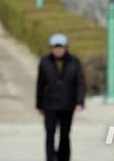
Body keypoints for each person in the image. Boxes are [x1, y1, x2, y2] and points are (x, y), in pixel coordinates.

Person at [36, 33, 85, 161]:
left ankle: (64, 157)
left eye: (61, 47)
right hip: (49, 104)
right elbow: (40, 84)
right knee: (50, 134)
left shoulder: (74, 62)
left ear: (66, 47)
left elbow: (80, 82)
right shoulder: (45, 62)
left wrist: (80, 101)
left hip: (67, 104)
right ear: (51, 48)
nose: (58, 50)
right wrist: (39, 104)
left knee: (65, 135)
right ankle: (50, 157)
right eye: (55, 47)